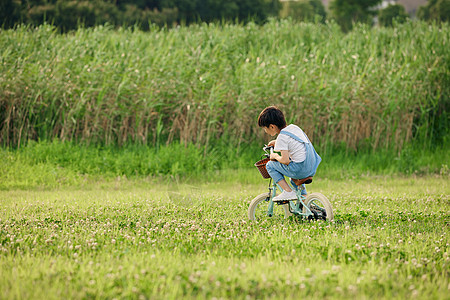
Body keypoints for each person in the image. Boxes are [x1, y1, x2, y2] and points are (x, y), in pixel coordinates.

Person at [257, 106, 321, 201]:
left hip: (300, 169)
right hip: (311, 166)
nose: (265, 131)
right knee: (293, 177)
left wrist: (275, 156)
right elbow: (294, 144)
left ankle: (288, 192)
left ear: (272, 126)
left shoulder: (282, 137)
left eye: (265, 128)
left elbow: (285, 160)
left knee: (270, 165)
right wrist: (277, 142)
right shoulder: (293, 128)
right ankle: (304, 200)